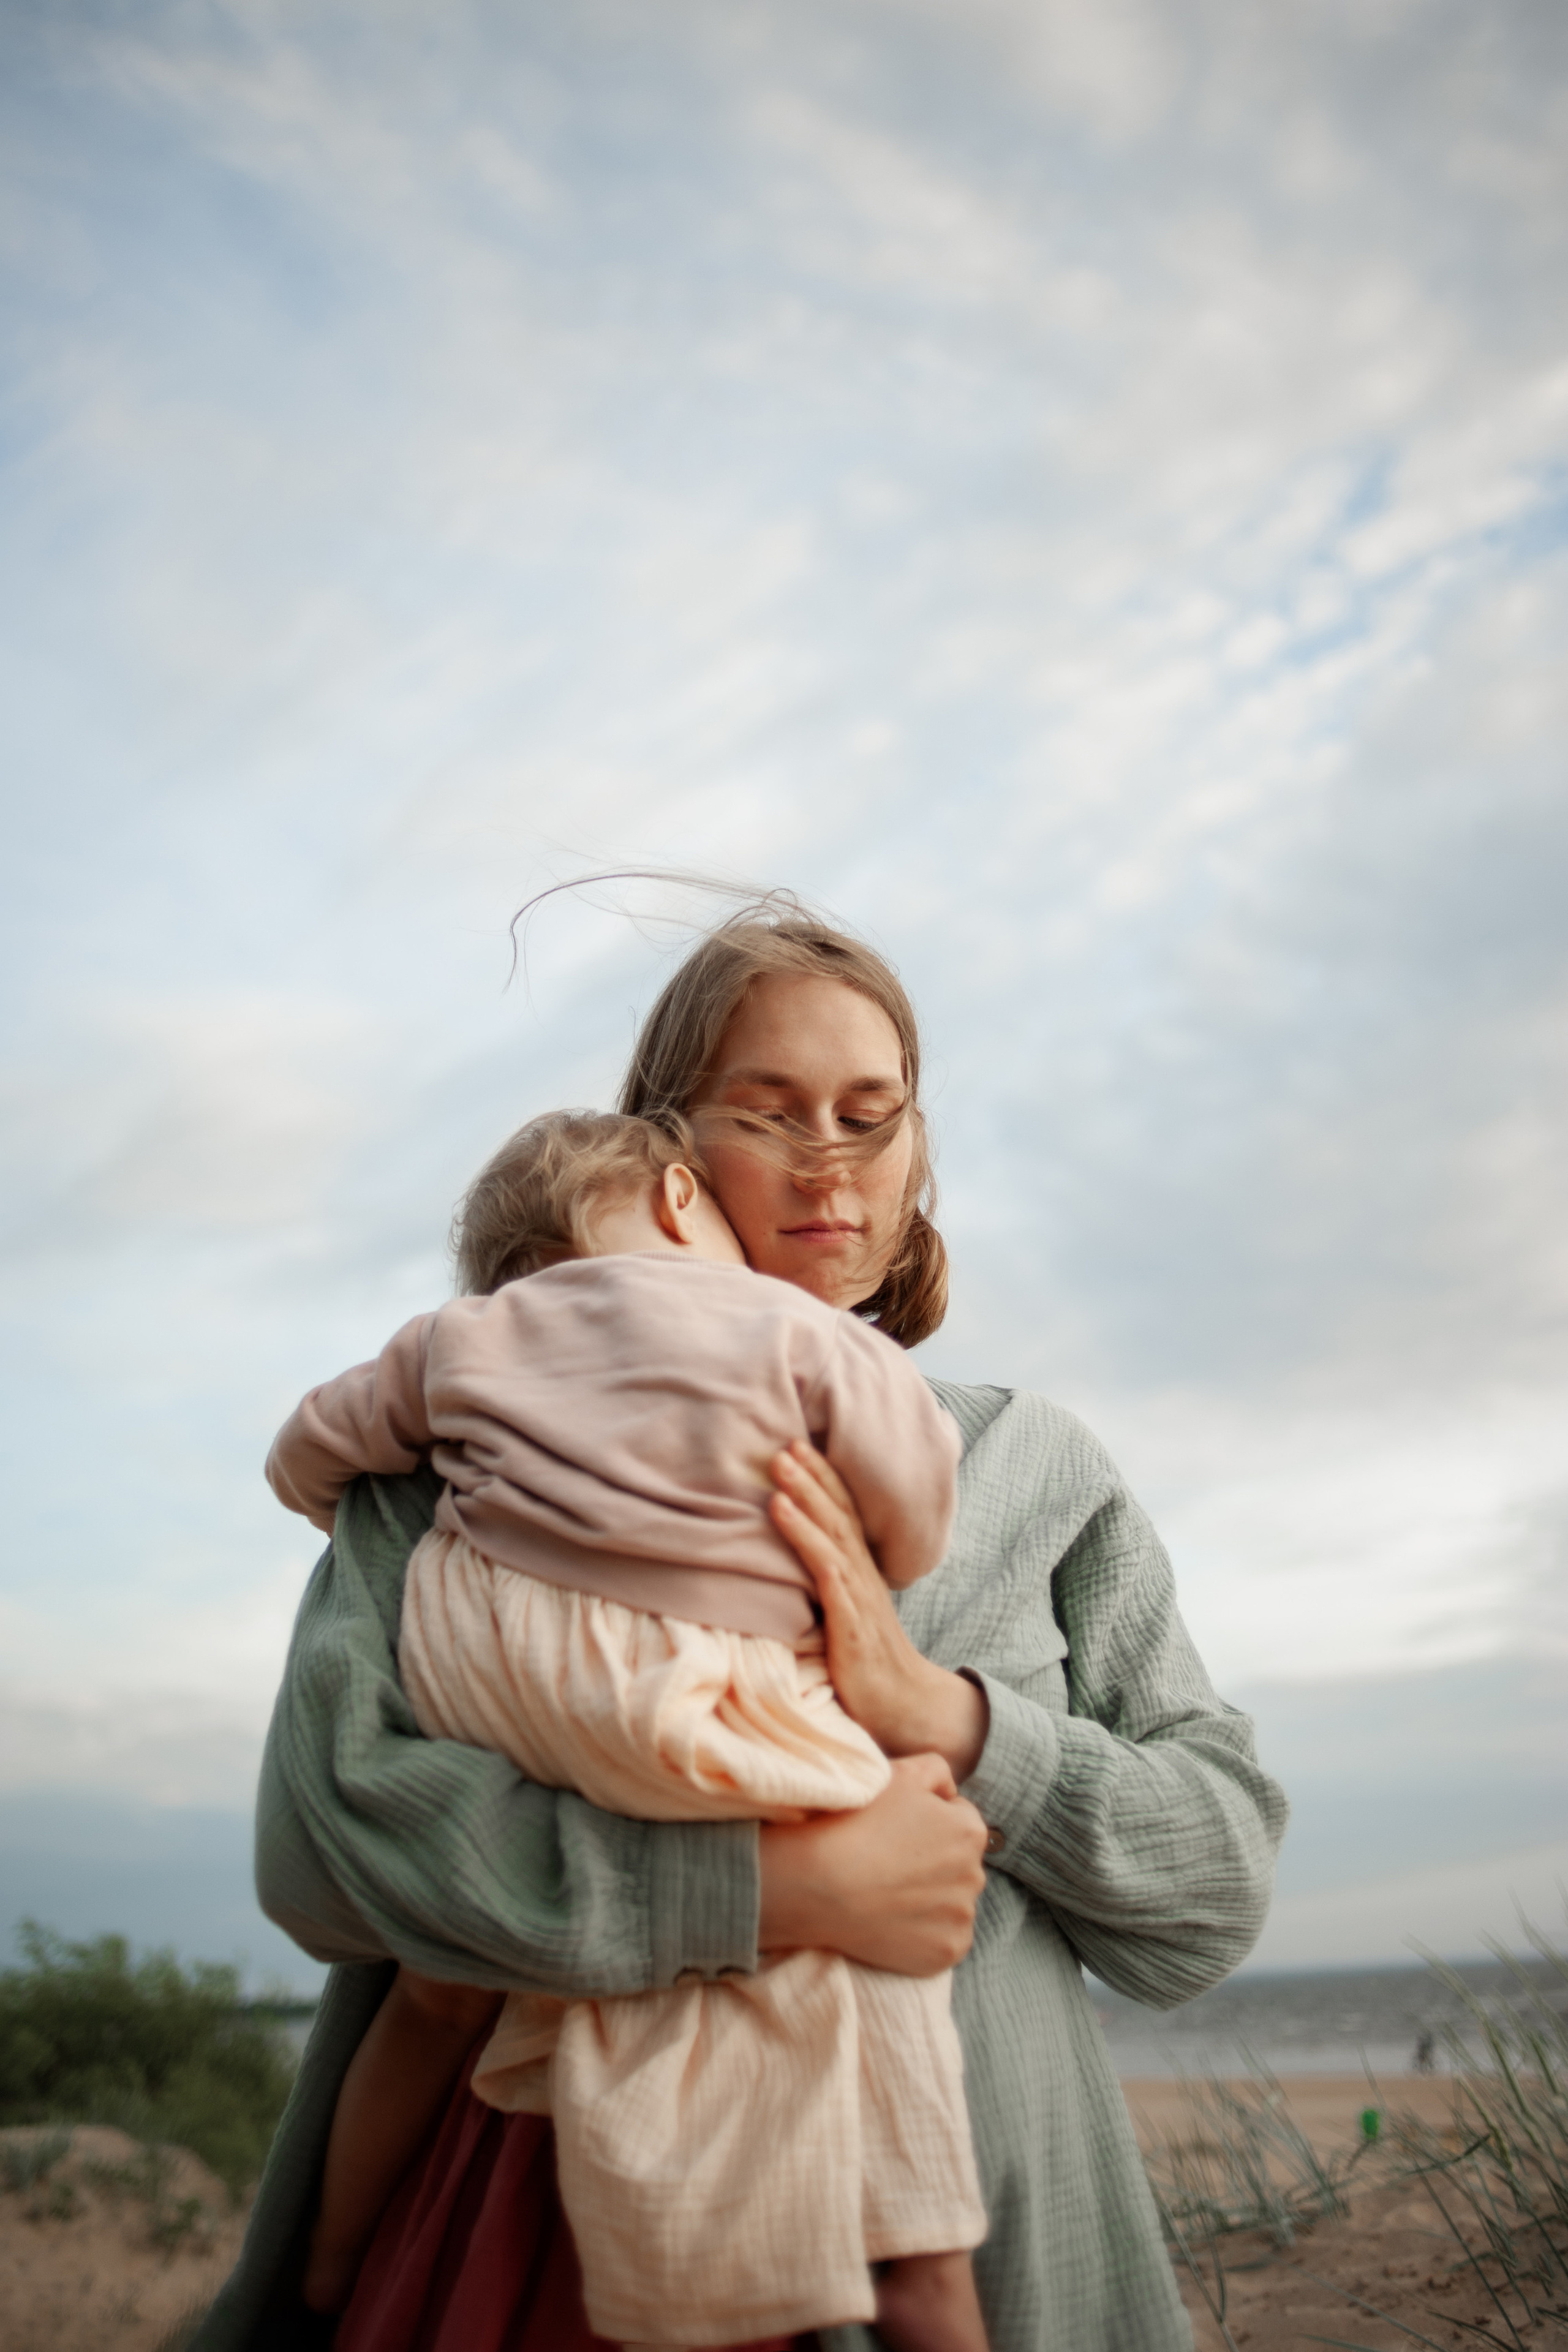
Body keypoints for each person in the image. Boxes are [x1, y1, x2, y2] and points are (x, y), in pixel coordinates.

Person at [194, 905, 1290, 2352]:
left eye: (869, 1115)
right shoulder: (468, 1461)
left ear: (915, 1154)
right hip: (539, 2249)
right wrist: (768, 1893)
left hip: (980, 2256)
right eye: (768, 1114)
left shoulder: (1030, 1465)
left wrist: (951, 1723)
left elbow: (1208, 1893)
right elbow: (325, 1856)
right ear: (662, 1156)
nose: (830, 1161)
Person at [265, 1106, 987, 2350]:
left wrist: (415, 1507)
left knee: (438, 1992)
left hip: (503, 1679)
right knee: (876, 1888)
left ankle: (326, 2255)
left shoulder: (462, 1339)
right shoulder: (791, 1328)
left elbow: (304, 1455)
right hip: (711, 1697)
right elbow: (915, 1504)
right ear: (675, 1198)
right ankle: (898, 2278)